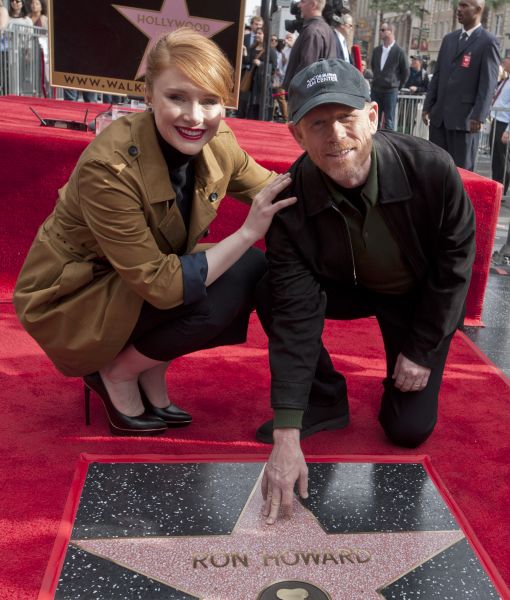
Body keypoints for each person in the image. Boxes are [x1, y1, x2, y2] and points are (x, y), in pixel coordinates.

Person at [13, 28, 295, 437]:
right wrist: (247, 232)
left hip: (133, 279)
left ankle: (149, 368)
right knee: (233, 271)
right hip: (73, 300)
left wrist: (345, 188)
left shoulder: (218, 141)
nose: (195, 117)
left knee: (247, 269)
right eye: (177, 97)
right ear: (148, 95)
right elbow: (159, 286)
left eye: (210, 101)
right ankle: (118, 372)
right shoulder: (109, 168)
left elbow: (273, 188)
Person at [254, 58, 475, 524]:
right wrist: (287, 434)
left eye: (346, 118)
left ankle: (400, 375)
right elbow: (295, 314)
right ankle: (325, 397)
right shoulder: (291, 202)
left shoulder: (432, 170)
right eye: (318, 123)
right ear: (296, 134)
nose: (335, 136)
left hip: (412, 297)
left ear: (373, 116)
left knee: (407, 430)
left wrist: (420, 349)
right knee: (269, 284)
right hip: (343, 288)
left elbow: (455, 269)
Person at [422, 0, 500, 171]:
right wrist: (428, 106)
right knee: (435, 169)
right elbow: (438, 75)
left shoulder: (488, 42)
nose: (459, 9)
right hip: (440, 119)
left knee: (461, 174)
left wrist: (478, 115)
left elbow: (488, 83)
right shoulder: (449, 39)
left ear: (478, 9)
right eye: (459, 5)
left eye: (465, 5)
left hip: (464, 121)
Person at [282, 0, 336, 91]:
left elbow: (306, 70)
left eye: (303, 2)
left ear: (313, 4)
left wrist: (295, 91)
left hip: (306, 98)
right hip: (315, 96)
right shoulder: (325, 29)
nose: (299, 5)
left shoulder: (312, 31)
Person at [370, 22, 409, 131]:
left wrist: (397, 86)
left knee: (389, 120)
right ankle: (374, 144)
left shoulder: (399, 51)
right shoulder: (377, 50)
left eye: (383, 30)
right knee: (374, 118)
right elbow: (374, 67)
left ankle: (388, 145)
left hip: (390, 90)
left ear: (390, 31)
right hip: (376, 89)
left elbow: (405, 71)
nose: (380, 32)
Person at [245, 27, 277, 121]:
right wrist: (244, 53)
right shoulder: (252, 48)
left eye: (260, 33)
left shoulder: (270, 50)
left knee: (262, 106)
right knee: (252, 107)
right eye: (257, 33)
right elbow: (248, 62)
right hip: (253, 83)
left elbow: (274, 68)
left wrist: (261, 64)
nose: (257, 35)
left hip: (264, 85)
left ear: (265, 35)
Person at [489, 57, 510, 195]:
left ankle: (502, 189)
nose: (504, 61)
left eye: (508, 59)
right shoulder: (506, 79)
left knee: (502, 158)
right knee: (495, 156)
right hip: (497, 120)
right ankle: (497, 185)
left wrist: (508, 130)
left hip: (504, 124)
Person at [237, 15, 264, 119]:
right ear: (252, 24)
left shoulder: (264, 44)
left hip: (256, 74)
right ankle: (240, 114)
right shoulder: (245, 37)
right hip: (244, 71)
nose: (258, 27)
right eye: (256, 24)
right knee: (243, 96)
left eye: (260, 25)